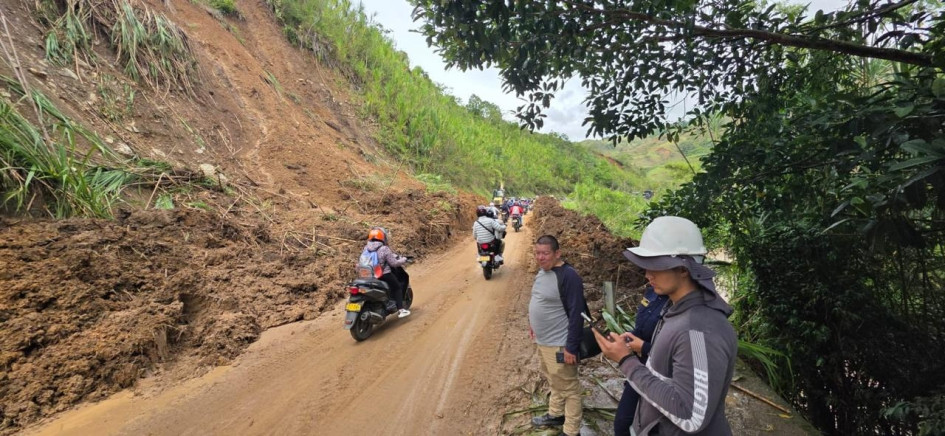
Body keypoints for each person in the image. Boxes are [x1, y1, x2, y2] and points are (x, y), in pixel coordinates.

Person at [593, 216, 736, 435]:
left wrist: (626, 361)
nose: (647, 274)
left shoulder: (698, 330)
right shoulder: (675, 309)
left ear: (684, 269)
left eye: (656, 266)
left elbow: (690, 416)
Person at [529, 235, 586, 436]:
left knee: (569, 389)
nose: (540, 257)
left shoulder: (569, 276)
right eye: (537, 253)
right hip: (543, 340)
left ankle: (571, 431)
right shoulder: (544, 271)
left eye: (545, 253)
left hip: (559, 343)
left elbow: (577, 313)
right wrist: (533, 325)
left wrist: (571, 347)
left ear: (557, 253)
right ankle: (556, 414)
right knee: (554, 380)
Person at [613, 285, 668, 436]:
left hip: (661, 377)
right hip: (640, 368)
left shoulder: (679, 306)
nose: (649, 276)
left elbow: (674, 353)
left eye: (656, 273)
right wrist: (631, 336)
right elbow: (643, 325)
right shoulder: (652, 291)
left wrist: (644, 347)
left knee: (652, 427)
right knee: (622, 423)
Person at [362, 226, 411, 318]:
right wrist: (403, 260)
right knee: (397, 287)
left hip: (368, 275)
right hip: (383, 274)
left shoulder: (366, 248)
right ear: (383, 237)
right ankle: (401, 310)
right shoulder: (384, 248)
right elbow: (394, 263)